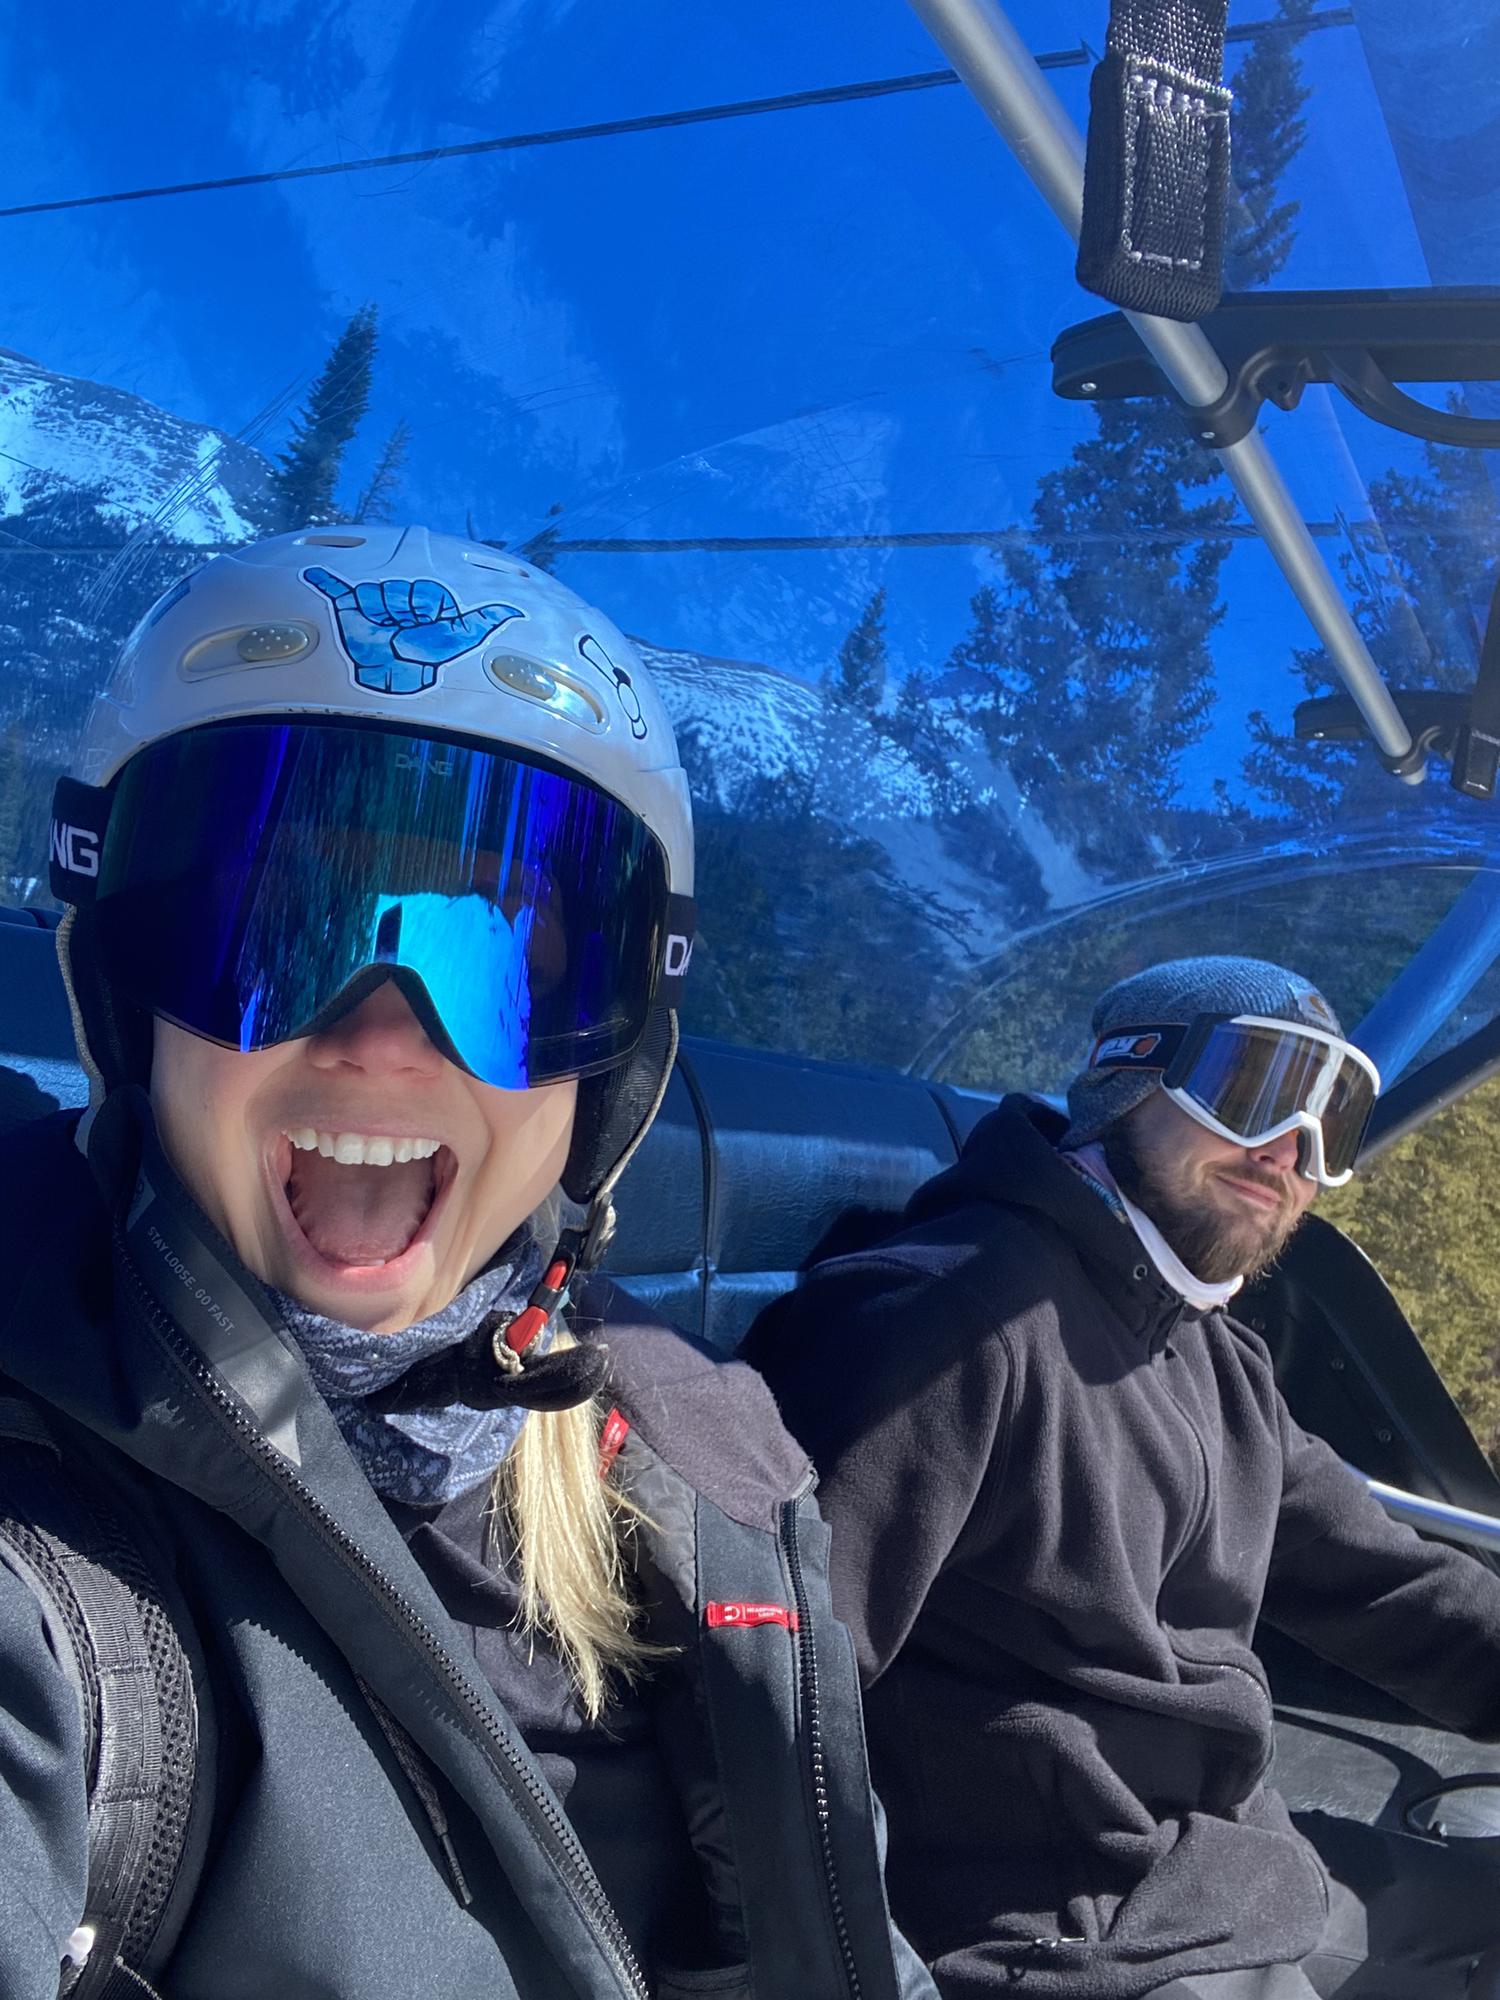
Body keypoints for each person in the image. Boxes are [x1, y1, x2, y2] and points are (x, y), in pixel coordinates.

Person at [0, 525, 935, 2000]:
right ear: (127, 987)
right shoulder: (51, 1553)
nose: (383, 1036)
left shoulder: (708, 1467)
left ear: (612, 1053)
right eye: (277, 925)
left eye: (499, 955)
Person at [746, 956, 1500, 2000]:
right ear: (1128, 1079)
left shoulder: (1214, 1353)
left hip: (1215, 1870)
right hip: (1055, 1940)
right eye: (1259, 1087)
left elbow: (1386, 1583)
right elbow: (772, 1697)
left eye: (1337, 1116)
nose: (1291, 1149)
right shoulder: (948, 1321)